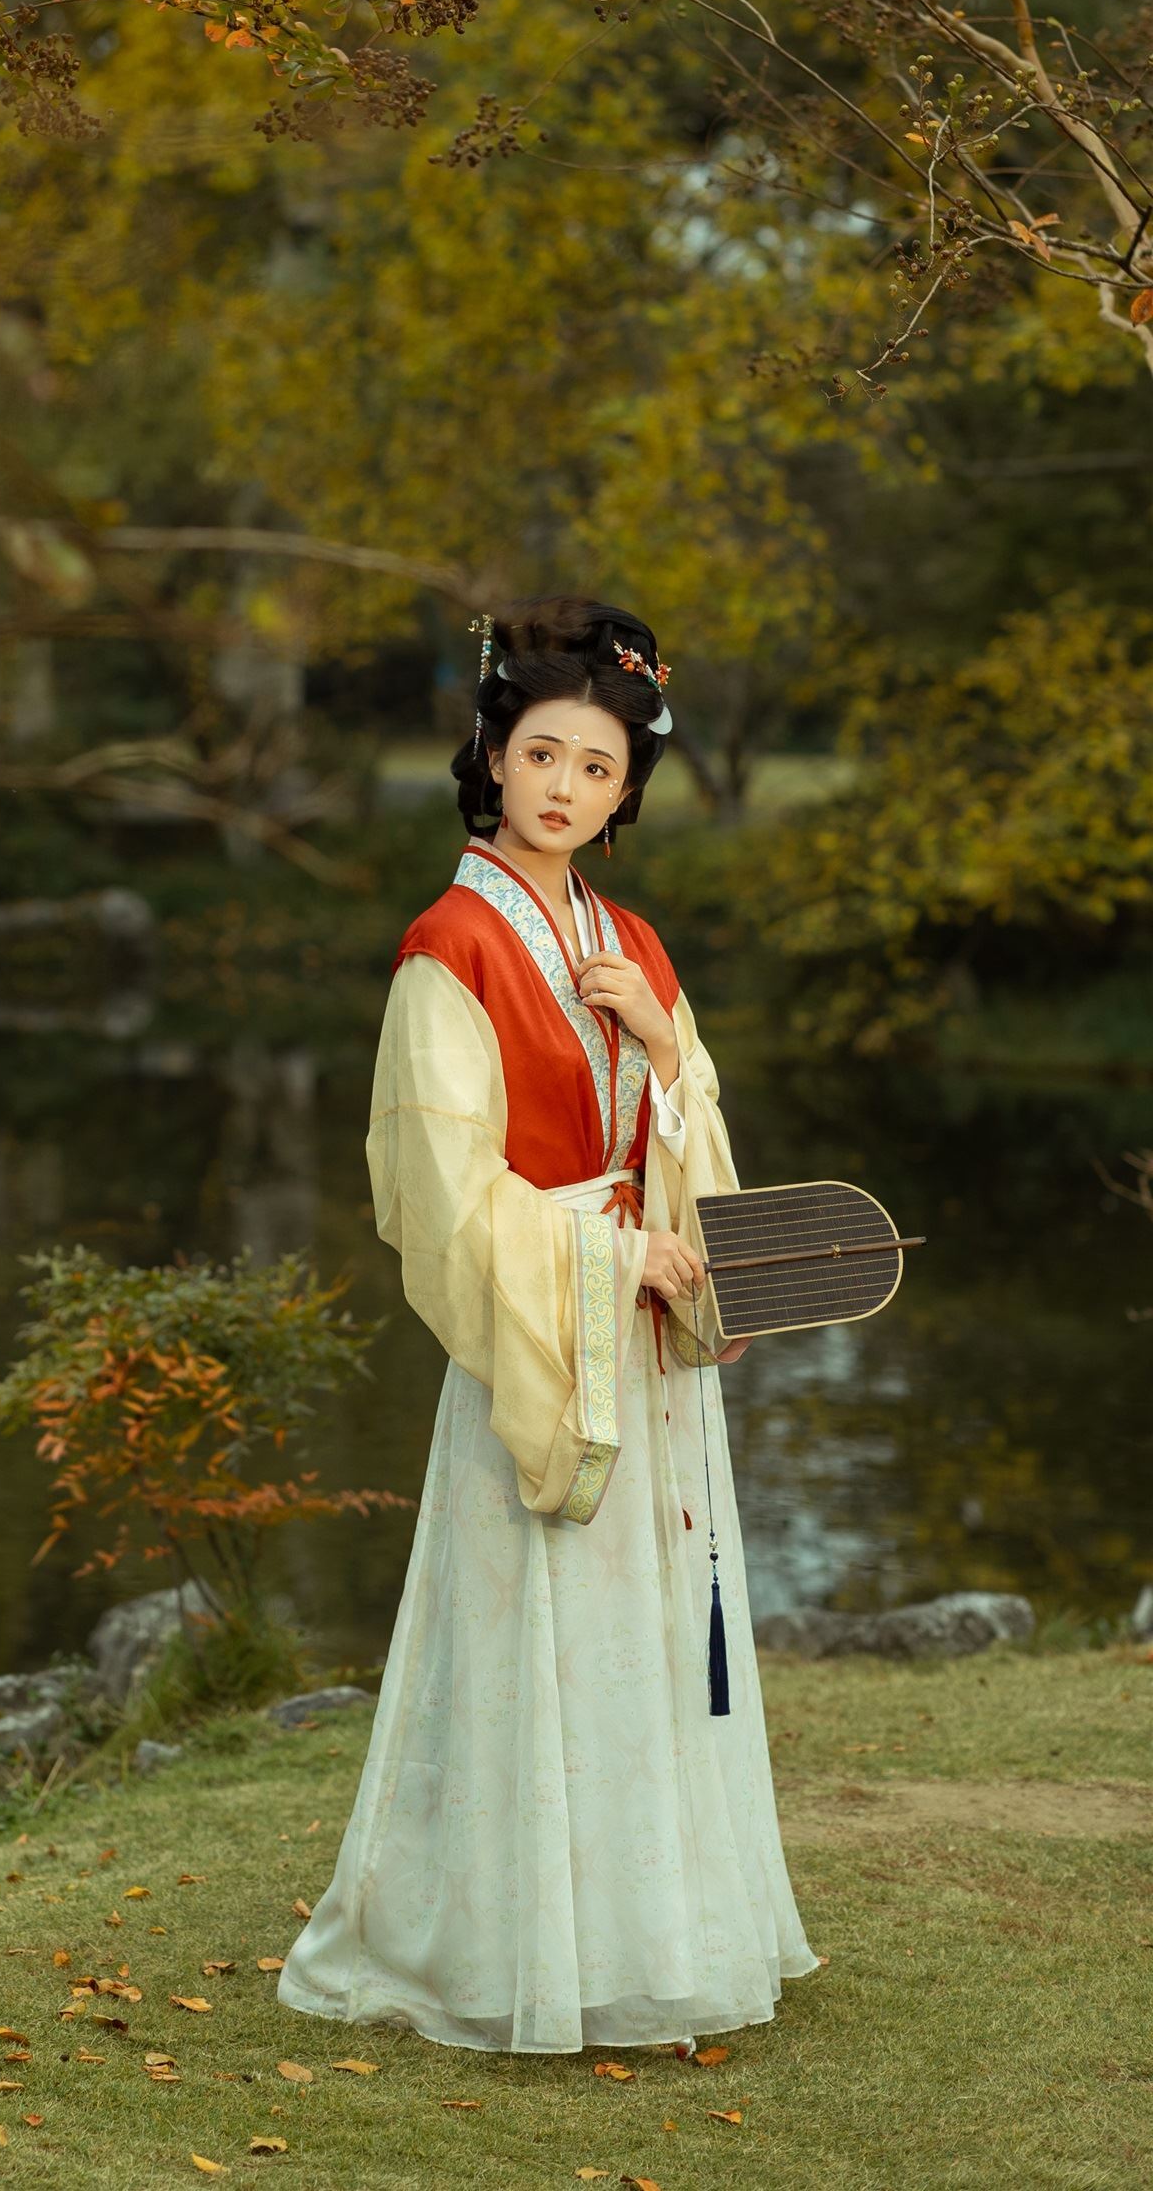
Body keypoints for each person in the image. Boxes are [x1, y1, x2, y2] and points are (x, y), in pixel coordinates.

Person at [277, 596, 817, 2055]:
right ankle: (504, 1952)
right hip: (551, 1327)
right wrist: (613, 1252)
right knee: (538, 1633)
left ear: (626, 789)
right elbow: (439, 1196)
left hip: (642, 1342)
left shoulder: (632, 942)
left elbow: (692, 1134)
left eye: (597, 766)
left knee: (652, 1637)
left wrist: (660, 1045)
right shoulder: (447, 947)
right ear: (493, 759)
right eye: (541, 755)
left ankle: (651, 1942)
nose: (566, 786)